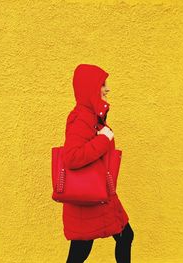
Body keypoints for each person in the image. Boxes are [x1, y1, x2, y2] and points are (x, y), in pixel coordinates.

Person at [62, 64, 134, 263]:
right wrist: (103, 139)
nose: (107, 89)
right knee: (80, 252)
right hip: (90, 200)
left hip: (101, 196)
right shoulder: (81, 119)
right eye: (102, 84)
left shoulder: (93, 116)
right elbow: (71, 157)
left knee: (125, 236)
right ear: (89, 88)